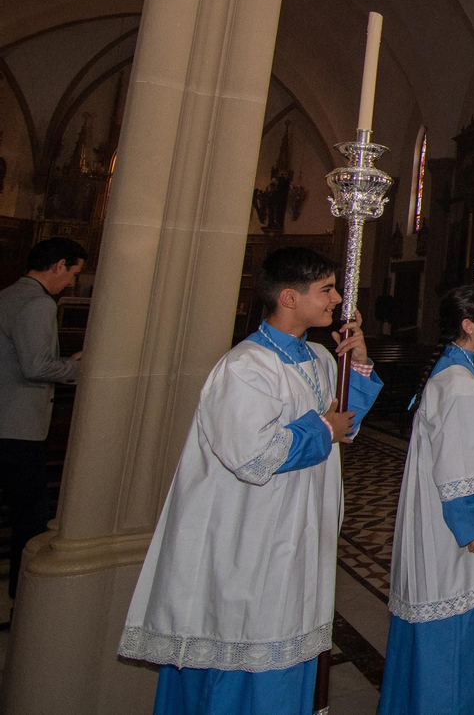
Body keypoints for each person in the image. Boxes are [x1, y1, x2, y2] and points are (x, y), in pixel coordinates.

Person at [120, 247, 382, 714]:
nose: (338, 300)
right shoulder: (245, 367)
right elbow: (254, 456)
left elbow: (347, 421)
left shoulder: (320, 356)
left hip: (298, 526)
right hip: (250, 536)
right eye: (326, 290)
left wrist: (356, 362)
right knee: (250, 637)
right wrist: (323, 428)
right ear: (288, 297)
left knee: (291, 626)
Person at [379, 285, 474, 715]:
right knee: (451, 628)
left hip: (440, 518)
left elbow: (470, 432)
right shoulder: (457, 381)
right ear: (468, 325)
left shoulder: (457, 372)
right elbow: (456, 462)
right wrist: (471, 525)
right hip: (452, 526)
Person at [0, 236, 85, 599]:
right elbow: (36, 366)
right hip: (18, 426)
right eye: (73, 273)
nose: (72, 282)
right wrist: (79, 369)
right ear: (58, 265)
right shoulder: (38, 304)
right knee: (30, 520)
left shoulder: (8, 294)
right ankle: (25, 597)